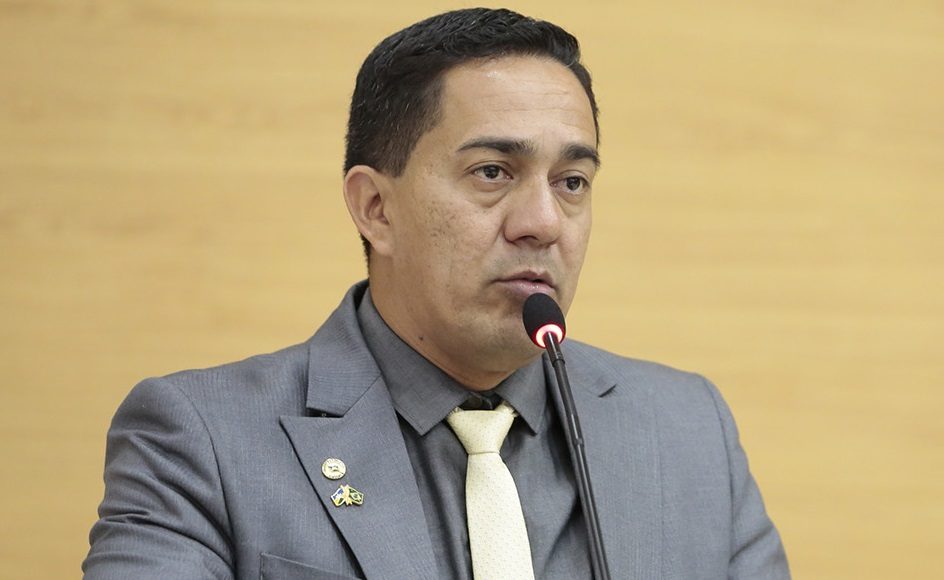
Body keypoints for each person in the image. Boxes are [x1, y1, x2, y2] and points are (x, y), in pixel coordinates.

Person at [84, 8, 789, 579]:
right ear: (376, 208)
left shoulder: (687, 432)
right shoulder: (202, 442)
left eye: (571, 182)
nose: (543, 222)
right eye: (492, 172)